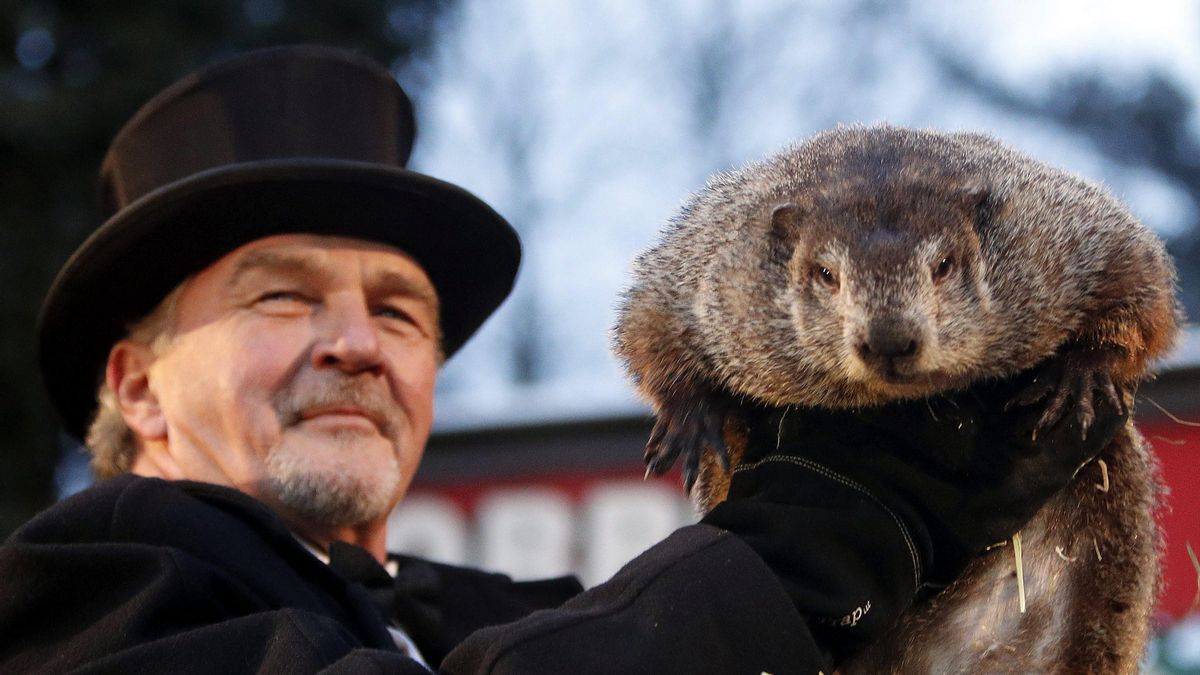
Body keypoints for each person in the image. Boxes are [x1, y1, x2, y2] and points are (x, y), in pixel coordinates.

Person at [0, 45, 1123, 674]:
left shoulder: (488, 612)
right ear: (137, 385)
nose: (353, 343)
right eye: (283, 297)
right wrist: (835, 531)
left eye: (398, 313)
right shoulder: (90, 598)